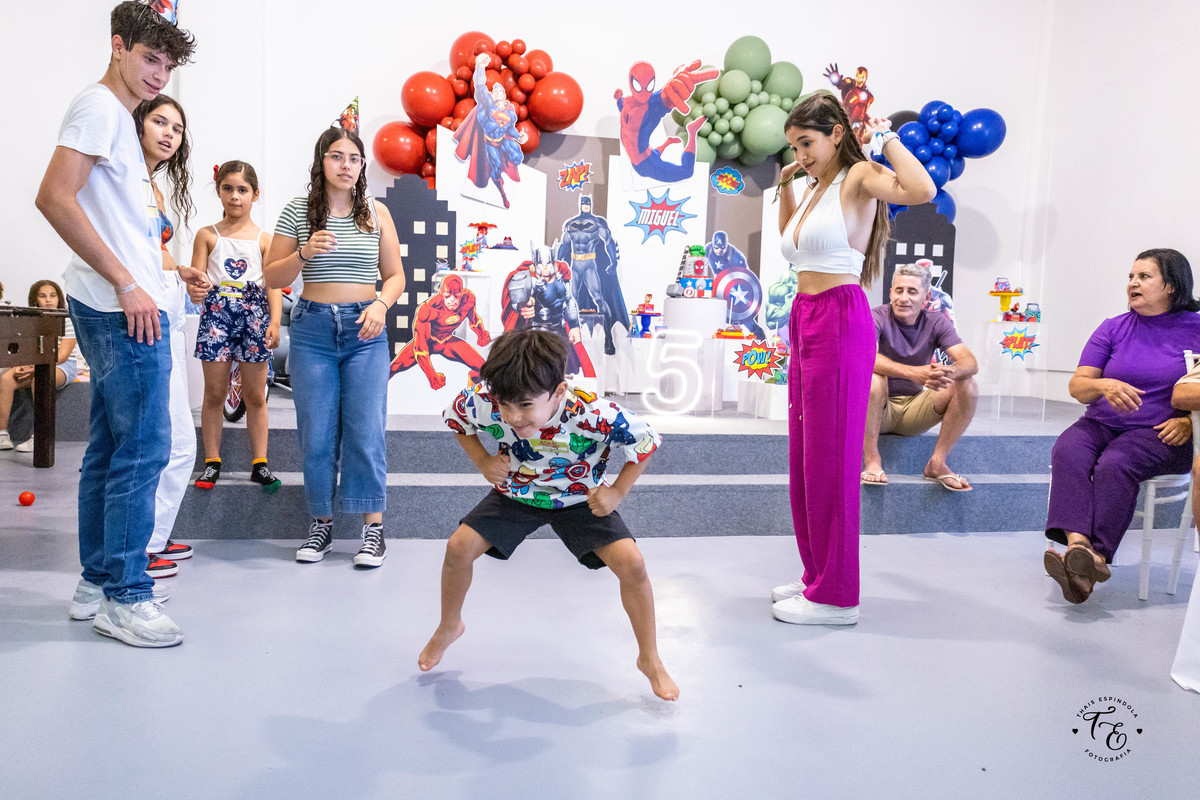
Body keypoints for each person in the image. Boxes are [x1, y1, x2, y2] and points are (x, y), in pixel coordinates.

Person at [34, 1, 197, 647]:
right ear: (118, 45)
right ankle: (126, 598)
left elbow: (114, 219)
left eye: (168, 66)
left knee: (109, 449)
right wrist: (128, 283)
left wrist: (152, 274)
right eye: (150, 58)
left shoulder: (117, 116)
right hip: (120, 307)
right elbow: (53, 197)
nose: (159, 74)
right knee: (145, 448)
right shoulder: (101, 107)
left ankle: (97, 582)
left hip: (117, 301)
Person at [418, 329, 678, 701]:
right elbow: (458, 420)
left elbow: (646, 440)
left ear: (558, 392)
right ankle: (449, 624)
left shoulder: (592, 412)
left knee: (633, 564)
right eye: (504, 405)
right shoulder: (487, 398)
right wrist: (483, 461)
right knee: (458, 548)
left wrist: (617, 492)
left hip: (581, 499)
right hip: (516, 493)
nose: (512, 416)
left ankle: (649, 658)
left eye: (525, 405)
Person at [770, 93, 935, 625]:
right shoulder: (814, 187)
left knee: (833, 459)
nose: (801, 154)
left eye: (807, 143)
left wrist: (886, 139)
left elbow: (922, 189)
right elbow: (791, 243)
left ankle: (837, 597)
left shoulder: (859, 175)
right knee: (806, 457)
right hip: (805, 315)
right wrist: (787, 182)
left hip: (840, 317)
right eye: (794, 146)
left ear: (836, 134)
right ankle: (817, 573)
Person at [264, 126, 406, 567]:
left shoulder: (376, 213)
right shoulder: (297, 211)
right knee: (317, 434)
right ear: (321, 161)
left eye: (354, 158)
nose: (346, 165)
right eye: (336, 156)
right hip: (313, 332)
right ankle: (321, 525)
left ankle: (373, 531)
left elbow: (396, 276)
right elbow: (271, 276)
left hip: (365, 331)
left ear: (362, 166)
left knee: (366, 431)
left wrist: (381, 304)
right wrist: (304, 253)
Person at [1044, 249, 1200, 604]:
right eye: (1131, 277)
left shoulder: (1197, 328)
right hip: (1101, 423)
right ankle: (1080, 548)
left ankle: (1092, 558)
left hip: (1162, 433)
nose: (1133, 283)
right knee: (1067, 450)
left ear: (1171, 286)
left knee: (1115, 463)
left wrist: (1188, 422)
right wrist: (1103, 385)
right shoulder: (1113, 327)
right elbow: (1078, 386)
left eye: (1144, 276)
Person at [133, 93, 210, 578]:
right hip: (145, 320)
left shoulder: (152, 187)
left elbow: (153, 253)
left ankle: (152, 539)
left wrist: (181, 271)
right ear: (138, 124)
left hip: (168, 313)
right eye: (160, 122)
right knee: (166, 444)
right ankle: (140, 547)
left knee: (178, 444)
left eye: (177, 128)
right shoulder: (124, 180)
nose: (168, 133)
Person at [190, 161, 282, 493]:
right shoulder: (207, 235)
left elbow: (273, 284)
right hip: (217, 317)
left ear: (255, 194)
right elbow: (196, 280)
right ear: (218, 191)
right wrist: (195, 290)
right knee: (214, 393)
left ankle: (260, 464)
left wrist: (275, 321)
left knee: (255, 395)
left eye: (243, 190)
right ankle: (212, 461)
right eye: (228, 188)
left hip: (254, 317)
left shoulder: (264, 239)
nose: (235, 196)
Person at [861, 261, 978, 490]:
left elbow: (970, 362)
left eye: (912, 292)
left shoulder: (936, 321)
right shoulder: (875, 316)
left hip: (914, 410)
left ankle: (937, 463)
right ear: (891, 293)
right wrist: (914, 373)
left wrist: (950, 371)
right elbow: (867, 358)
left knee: (968, 384)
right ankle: (872, 460)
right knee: (874, 378)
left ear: (926, 297)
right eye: (899, 290)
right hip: (878, 409)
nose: (903, 298)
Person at [0, 281, 80, 453]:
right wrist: (22, 365)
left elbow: (62, 356)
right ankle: (2, 434)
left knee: (40, 378)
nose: (49, 300)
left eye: (53, 296)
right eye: (43, 296)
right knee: (6, 378)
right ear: (35, 299)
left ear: (59, 298)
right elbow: (24, 349)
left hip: (64, 365)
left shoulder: (68, 320)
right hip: (36, 363)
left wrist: (34, 367)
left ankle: (39, 436)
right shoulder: (30, 321)